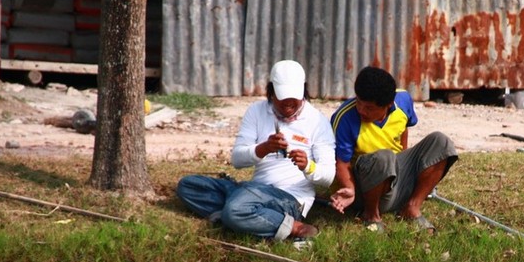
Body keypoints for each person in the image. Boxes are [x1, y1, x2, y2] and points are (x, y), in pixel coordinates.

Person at [176, 60, 335, 240]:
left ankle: (294, 227)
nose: (288, 103)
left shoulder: (318, 122)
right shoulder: (256, 111)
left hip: (289, 199)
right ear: (271, 91)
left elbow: (329, 176)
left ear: (304, 91)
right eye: (282, 97)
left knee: (236, 208)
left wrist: (308, 166)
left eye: (294, 97)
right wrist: (263, 148)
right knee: (189, 185)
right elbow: (237, 160)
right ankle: (244, 218)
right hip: (252, 190)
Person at [329, 66, 458, 232]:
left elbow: (403, 127)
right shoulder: (345, 117)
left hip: (395, 181)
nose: (361, 110)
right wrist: (350, 189)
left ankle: (411, 208)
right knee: (385, 157)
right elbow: (341, 163)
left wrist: (404, 160)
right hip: (363, 190)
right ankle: (371, 215)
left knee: (441, 142)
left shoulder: (403, 100)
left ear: (388, 105)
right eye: (359, 102)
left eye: (368, 108)